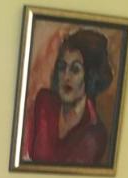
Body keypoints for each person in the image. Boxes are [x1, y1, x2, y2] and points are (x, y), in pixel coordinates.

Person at [28, 29, 113, 166]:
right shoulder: (44, 103)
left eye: (75, 69)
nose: (66, 77)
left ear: (90, 76)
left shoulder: (94, 133)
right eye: (62, 67)